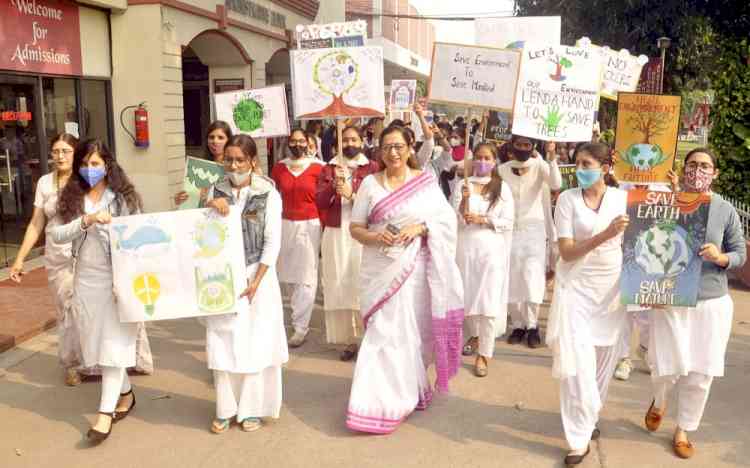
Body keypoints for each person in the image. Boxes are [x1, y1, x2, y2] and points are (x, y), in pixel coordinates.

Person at [346, 126, 464, 434]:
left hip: (415, 272)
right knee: (381, 334)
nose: (393, 153)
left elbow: (446, 220)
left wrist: (422, 228)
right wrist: (374, 236)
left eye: (398, 146)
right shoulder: (370, 184)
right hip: (379, 269)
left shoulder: (425, 182)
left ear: (410, 147)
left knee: (409, 334)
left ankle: (408, 392)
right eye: (386, 147)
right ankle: (374, 403)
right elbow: (355, 227)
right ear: (379, 151)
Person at [644, 148, 746, 460]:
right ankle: (659, 400)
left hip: (711, 300)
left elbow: (739, 252)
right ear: (683, 169)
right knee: (665, 364)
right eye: (692, 165)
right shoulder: (664, 204)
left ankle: (684, 429)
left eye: (704, 166)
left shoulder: (724, 209)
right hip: (670, 298)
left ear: (715, 173)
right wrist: (649, 291)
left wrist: (722, 257)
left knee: (701, 372)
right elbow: (644, 245)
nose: (697, 171)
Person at [51, 139, 149, 444]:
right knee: (96, 346)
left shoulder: (123, 199)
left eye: (95, 163)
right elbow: (56, 233)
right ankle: (127, 395)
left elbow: (138, 238)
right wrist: (87, 220)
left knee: (113, 347)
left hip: (117, 282)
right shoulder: (73, 197)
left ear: (107, 164)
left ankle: (104, 415)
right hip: (85, 282)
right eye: (84, 164)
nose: (89, 169)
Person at [545, 142, 629, 466]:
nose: (580, 169)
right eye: (577, 163)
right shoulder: (567, 200)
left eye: (587, 163)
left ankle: (589, 416)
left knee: (602, 364)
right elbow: (566, 251)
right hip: (575, 290)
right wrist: (605, 235)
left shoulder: (623, 200)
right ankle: (578, 439)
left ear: (606, 167)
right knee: (577, 366)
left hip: (611, 294)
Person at [201, 134, 288, 434]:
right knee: (222, 342)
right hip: (222, 278)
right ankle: (225, 408)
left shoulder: (268, 194)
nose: (234, 165)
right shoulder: (215, 190)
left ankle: (251, 409)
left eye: (240, 159)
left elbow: (272, 242)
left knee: (254, 343)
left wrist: (257, 280)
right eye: (229, 159)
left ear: (253, 161)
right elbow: (199, 233)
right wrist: (210, 207)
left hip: (256, 278)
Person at [316, 126, 380, 361]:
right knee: (339, 282)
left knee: (362, 282)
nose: (350, 143)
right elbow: (320, 201)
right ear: (338, 144)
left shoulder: (372, 168)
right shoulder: (329, 168)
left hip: (361, 232)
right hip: (335, 232)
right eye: (346, 139)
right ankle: (350, 340)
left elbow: (378, 202)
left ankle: (370, 336)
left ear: (362, 141)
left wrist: (352, 194)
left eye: (354, 139)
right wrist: (334, 188)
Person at [453, 143, 514, 377]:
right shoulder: (463, 184)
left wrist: (484, 219)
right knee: (465, 301)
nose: (482, 161)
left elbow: (507, 222)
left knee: (487, 305)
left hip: (491, 254)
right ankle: (471, 338)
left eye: (487, 157)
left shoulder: (502, 188)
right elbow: (455, 219)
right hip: (465, 251)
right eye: (478, 157)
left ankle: (484, 355)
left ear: (494, 161)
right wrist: (463, 202)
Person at [499, 135, 561, 348]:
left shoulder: (539, 166)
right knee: (513, 279)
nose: (523, 148)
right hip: (509, 233)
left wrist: (551, 155)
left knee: (532, 278)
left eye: (527, 145)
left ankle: (533, 326)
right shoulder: (503, 169)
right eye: (519, 144)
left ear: (533, 147)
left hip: (534, 232)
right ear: (512, 146)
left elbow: (556, 183)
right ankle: (518, 325)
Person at [271, 128, 324, 348]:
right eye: (293, 141)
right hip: (284, 225)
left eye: (301, 141)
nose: (297, 145)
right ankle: (293, 313)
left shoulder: (319, 168)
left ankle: (300, 326)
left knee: (306, 276)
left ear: (309, 143)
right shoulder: (279, 168)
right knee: (286, 275)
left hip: (310, 225)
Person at [174, 121, 233, 206]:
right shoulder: (198, 167)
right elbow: (191, 201)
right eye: (211, 137)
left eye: (220, 137)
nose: (215, 141)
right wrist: (181, 200)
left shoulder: (233, 168)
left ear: (229, 140)